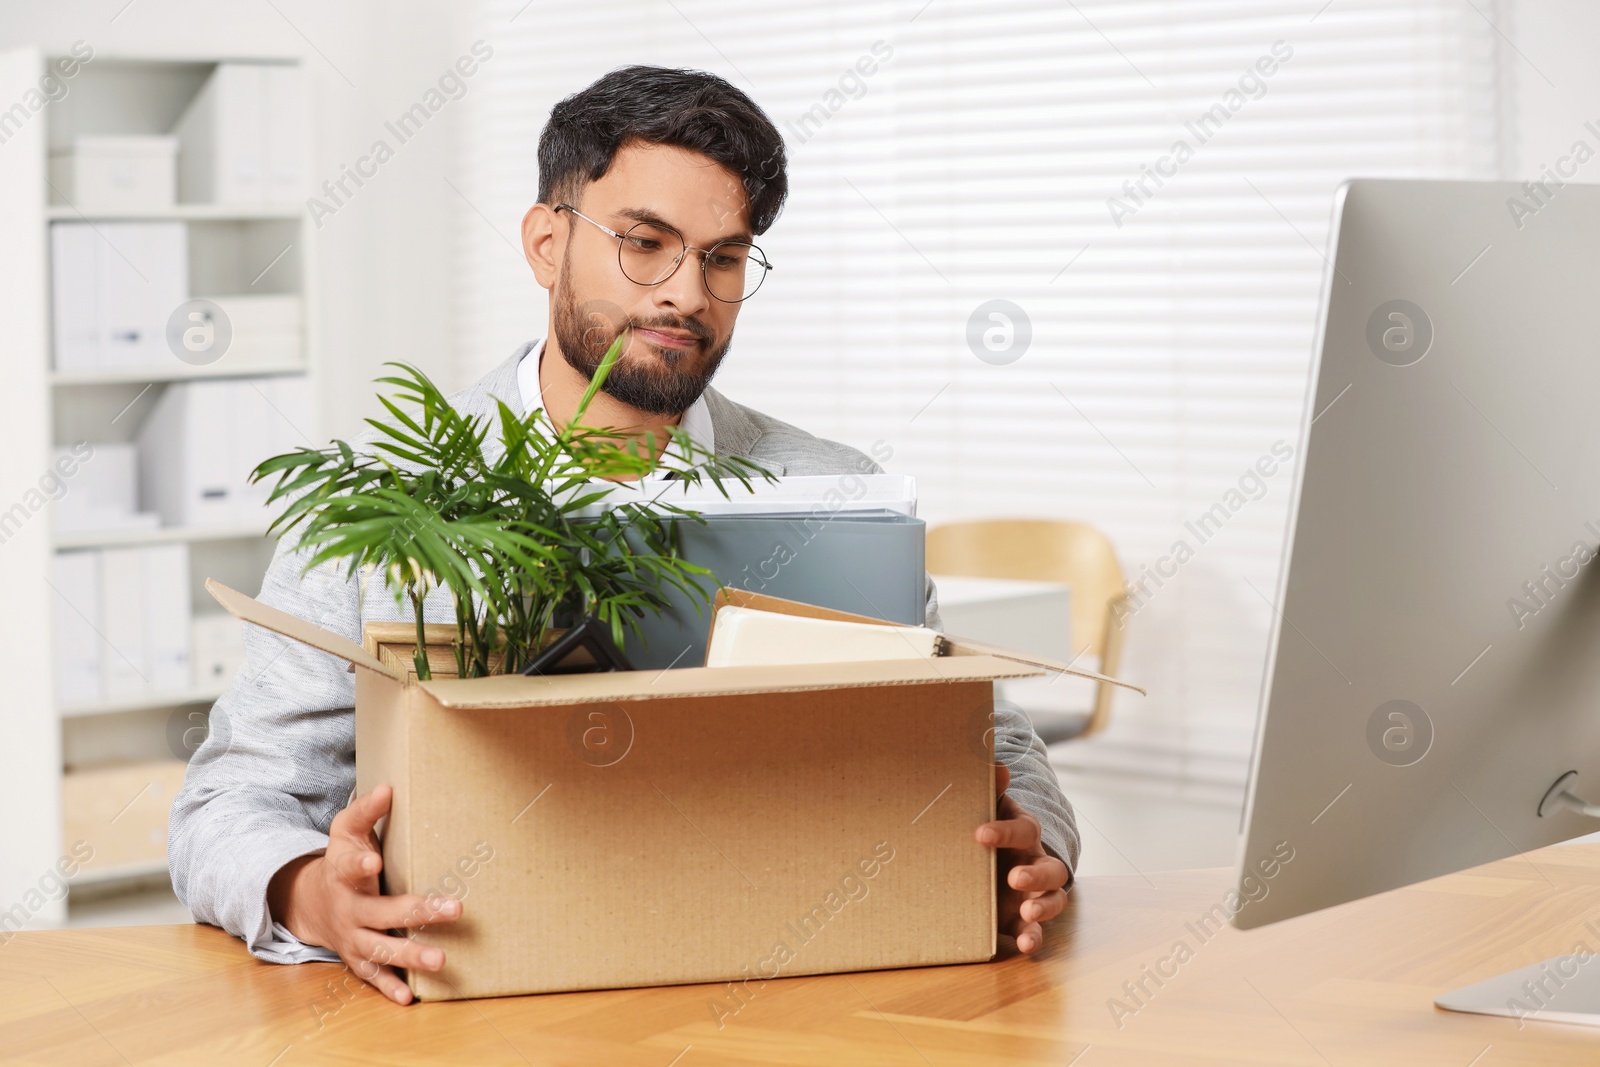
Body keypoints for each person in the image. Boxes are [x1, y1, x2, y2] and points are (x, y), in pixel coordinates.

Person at [169, 65, 1079, 1006]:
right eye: (645, 244)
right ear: (545, 243)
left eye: (724, 259)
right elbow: (224, 805)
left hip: (800, 984)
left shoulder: (832, 493)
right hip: (481, 994)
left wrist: (1035, 842)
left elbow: (988, 738)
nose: (687, 293)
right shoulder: (382, 504)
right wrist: (311, 893)